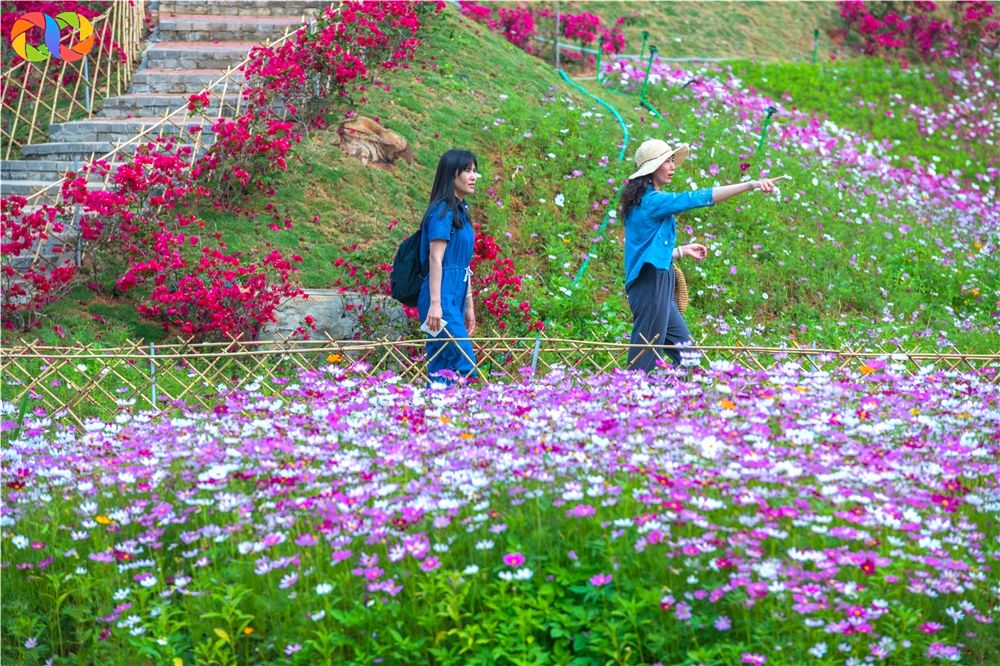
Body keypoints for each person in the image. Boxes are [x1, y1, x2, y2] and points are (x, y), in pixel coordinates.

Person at [621, 139, 784, 372]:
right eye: (666, 161)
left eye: (672, 160)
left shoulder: (644, 202)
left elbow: (644, 249)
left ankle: (688, 401)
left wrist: (679, 251)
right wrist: (751, 185)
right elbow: (697, 198)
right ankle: (627, 400)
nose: (672, 166)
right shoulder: (651, 202)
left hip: (659, 281)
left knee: (689, 356)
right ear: (651, 169)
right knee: (644, 356)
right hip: (651, 285)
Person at [418, 149, 480, 383]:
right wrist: (435, 305)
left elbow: (463, 264)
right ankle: (461, 415)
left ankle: (433, 415)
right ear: (450, 174)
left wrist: (469, 305)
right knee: (466, 365)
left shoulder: (461, 214)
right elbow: (436, 258)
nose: (473, 176)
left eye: (474, 171)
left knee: (441, 369)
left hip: (456, 298)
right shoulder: (442, 212)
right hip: (439, 299)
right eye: (467, 171)